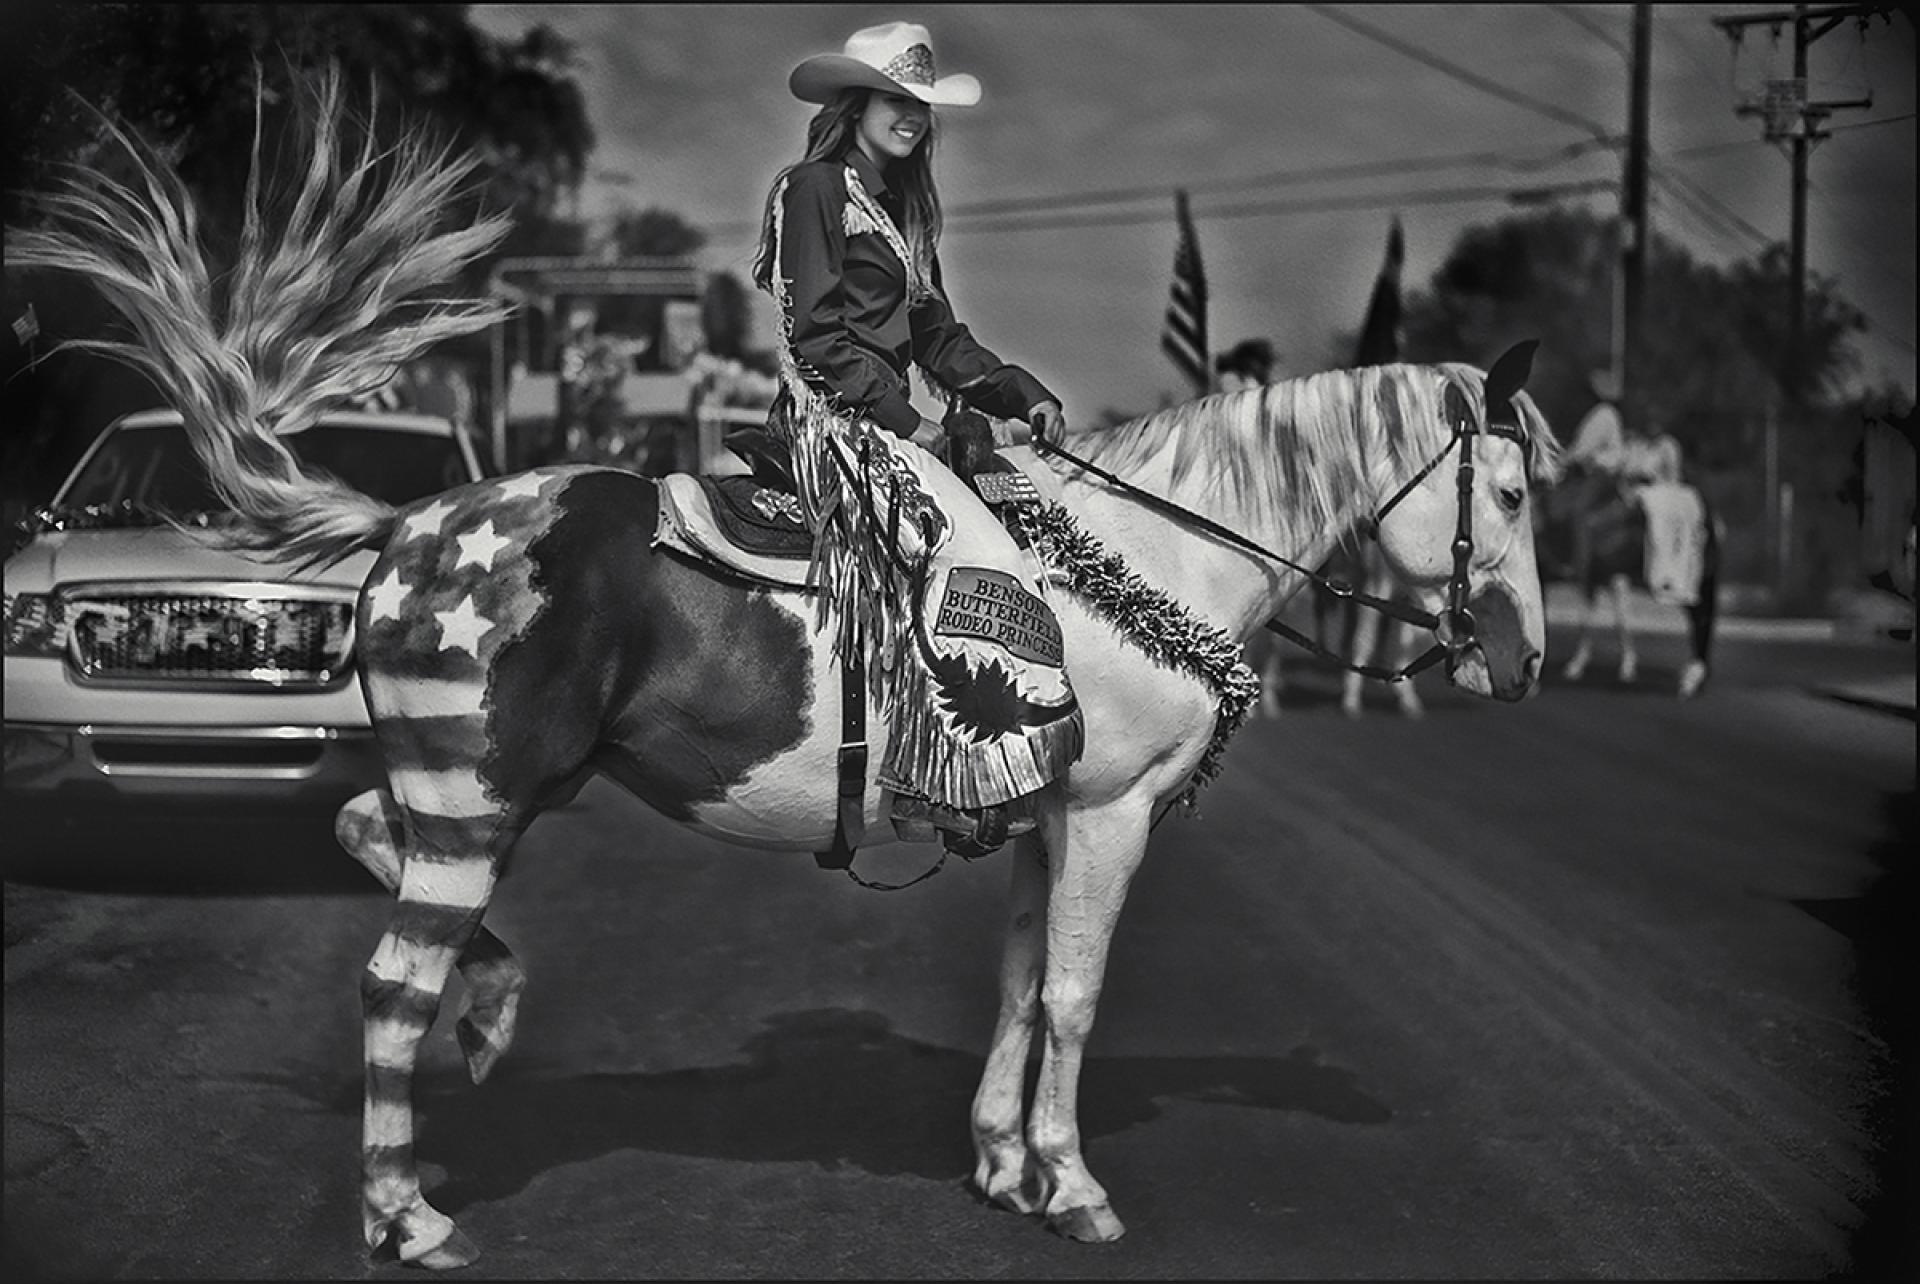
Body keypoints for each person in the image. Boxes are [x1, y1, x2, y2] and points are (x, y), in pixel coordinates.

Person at [751, 20, 1082, 854]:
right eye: (897, 99)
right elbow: (816, 339)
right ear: (856, 101)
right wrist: (917, 426)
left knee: (1012, 522)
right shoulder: (816, 188)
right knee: (949, 545)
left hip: (889, 422)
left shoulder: (899, 214)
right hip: (835, 418)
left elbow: (937, 339)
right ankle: (931, 768)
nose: (911, 117)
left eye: (921, 106)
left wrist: (1020, 390)